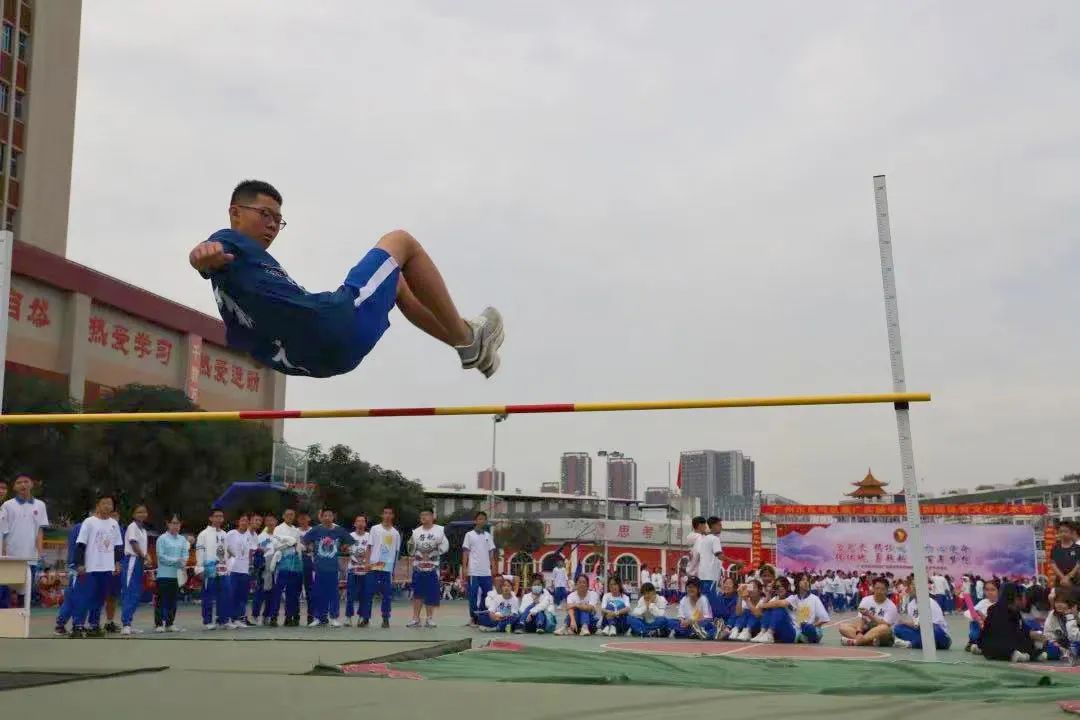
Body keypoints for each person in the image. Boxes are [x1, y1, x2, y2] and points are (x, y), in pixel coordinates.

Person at [188, 180, 504, 380]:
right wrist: (203, 258)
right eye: (265, 214)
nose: (272, 225)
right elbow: (204, 255)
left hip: (319, 363)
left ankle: (469, 344)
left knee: (394, 283)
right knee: (401, 242)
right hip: (330, 326)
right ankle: (468, 339)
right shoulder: (230, 241)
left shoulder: (242, 289)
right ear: (235, 213)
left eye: (278, 220)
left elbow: (255, 359)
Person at [71, 495, 123, 639]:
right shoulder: (89, 522)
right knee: (84, 597)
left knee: (99, 599)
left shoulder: (114, 524)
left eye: (110, 504)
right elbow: (80, 544)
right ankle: (77, 625)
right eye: (104, 503)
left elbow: (118, 545)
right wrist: (80, 564)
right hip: (90, 567)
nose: (107, 506)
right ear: (98, 505)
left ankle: (94, 625)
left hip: (106, 568)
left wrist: (117, 563)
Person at [0, 473, 48, 609]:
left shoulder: (40, 505)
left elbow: (39, 531)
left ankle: (22, 626)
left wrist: (40, 553)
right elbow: (3, 532)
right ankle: (4, 625)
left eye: (26, 482)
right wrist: (3, 553)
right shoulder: (7, 505)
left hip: (30, 557)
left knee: (25, 595)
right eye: (19, 482)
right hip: (10, 557)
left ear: (32, 484)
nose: (23, 485)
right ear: (15, 487)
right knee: (5, 592)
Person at [305, 507, 352, 627]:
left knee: (333, 593)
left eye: (329, 516)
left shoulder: (339, 530)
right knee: (318, 593)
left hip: (333, 568)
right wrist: (310, 547)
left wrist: (343, 547)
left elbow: (350, 541)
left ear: (333, 517)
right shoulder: (316, 530)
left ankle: (334, 617)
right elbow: (305, 541)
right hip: (319, 567)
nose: (327, 518)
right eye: (325, 515)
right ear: (322, 517)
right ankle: (318, 617)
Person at [407, 508, 449, 628]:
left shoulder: (440, 530)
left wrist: (433, 550)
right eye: (422, 515)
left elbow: (445, 547)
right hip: (418, 567)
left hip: (433, 567)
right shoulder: (415, 532)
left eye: (426, 515)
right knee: (417, 594)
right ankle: (415, 618)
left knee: (431, 593)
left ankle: (429, 618)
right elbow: (410, 549)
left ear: (432, 516)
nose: (424, 517)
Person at [361, 505, 401, 628]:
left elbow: (396, 552)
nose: (387, 515)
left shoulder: (396, 533)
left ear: (393, 516)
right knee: (368, 593)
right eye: (385, 513)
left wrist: (395, 569)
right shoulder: (375, 529)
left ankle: (385, 618)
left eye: (390, 513)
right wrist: (367, 562)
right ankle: (365, 618)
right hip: (374, 565)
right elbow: (369, 546)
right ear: (382, 515)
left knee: (387, 594)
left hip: (387, 567)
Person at [979, 583, 1040, 662]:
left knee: (1033, 640)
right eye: (1023, 596)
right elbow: (1010, 633)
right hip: (998, 645)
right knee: (1027, 643)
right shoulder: (998, 611)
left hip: (993, 646)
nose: (1025, 600)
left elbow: (1022, 627)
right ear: (1015, 598)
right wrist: (1029, 636)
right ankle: (1023, 654)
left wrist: (1032, 633)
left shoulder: (1014, 611)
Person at [196, 508, 230, 630]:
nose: (219, 518)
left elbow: (226, 553)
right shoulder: (203, 534)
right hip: (209, 568)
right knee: (208, 596)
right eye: (216, 516)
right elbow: (199, 552)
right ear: (210, 518)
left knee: (225, 594)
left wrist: (228, 568)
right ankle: (207, 621)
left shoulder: (225, 534)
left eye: (221, 516)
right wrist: (199, 568)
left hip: (223, 568)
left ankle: (223, 620)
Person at [154, 514, 190, 632]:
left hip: (177, 575)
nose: (175, 526)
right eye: (173, 523)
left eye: (178, 523)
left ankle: (170, 623)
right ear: (168, 524)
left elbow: (185, 555)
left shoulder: (182, 539)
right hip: (163, 575)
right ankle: (159, 624)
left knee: (173, 600)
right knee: (161, 600)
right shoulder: (162, 539)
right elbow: (161, 556)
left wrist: (182, 562)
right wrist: (176, 561)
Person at [839, 577, 898, 647]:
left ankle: (856, 642)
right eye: (877, 588)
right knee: (843, 626)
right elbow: (861, 619)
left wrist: (869, 615)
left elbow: (886, 625)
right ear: (873, 588)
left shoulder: (891, 606)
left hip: (881, 635)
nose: (879, 591)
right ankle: (866, 642)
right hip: (866, 630)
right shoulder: (865, 600)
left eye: (882, 589)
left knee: (884, 628)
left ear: (887, 590)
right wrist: (858, 632)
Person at [54, 511, 87, 635]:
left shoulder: (83, 527)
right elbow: (76, 548)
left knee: (81, 597)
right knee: (73, 597)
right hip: (78, 567)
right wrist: (76, 565)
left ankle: (77, 624)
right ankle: (62, 624)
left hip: (85, 567)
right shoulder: (81, 527)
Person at [462, 511, 497, 626]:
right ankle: (473, 617)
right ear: (475, 521)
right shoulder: (469, 535)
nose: (482, 521)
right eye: (480, 519)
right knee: (473, 594)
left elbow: (491, 553)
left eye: (484, 519)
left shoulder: (488, 536)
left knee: (487, 595)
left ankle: (481, 616)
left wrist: (493, 568)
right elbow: (465, 552)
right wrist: (465, 567)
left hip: (486, 571)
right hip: (473, 571)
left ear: (485, 521)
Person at [893, 581, 951, 650]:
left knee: (932, 630)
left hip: (939, 636)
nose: (913, 588)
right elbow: (915, 625)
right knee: (898, 628)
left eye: (916, 586)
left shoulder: (931, 603)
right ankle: (917, 643)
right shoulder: (911, 605)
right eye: (912, 586)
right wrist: (907, 623)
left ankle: (911, 644)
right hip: (921, 634)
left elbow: (932, 625)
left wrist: (909, 623)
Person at [120, 504, 150, 635]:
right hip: (132, 560)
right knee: (130, 592)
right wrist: (144, 556)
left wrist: (146, 557)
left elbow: (143, 548)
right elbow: (134, 543)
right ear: (133, 515)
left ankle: (129, 623)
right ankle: (125, 624)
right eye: (138, 512)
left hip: (139, 562)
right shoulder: (132, 527)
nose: (141, 514)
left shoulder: (143, 530)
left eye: (143, 512)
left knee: (137, 593)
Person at [272, 508, 304, 626]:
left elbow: (299, 548)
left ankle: (289, 616)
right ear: (283, 516)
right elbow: (276, 545)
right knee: (278, 591)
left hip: (295, 564)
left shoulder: (296, 530)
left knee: (293, 592)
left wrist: (300, 560)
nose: (290, 517)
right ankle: (273, 617)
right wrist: (289, 543)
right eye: (288, 515)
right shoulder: (278, 529)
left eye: (292, 515)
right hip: (282, 564)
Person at [225, 513, 254, 629]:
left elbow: (250, 552)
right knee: (232, 594)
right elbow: (223, 546)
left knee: (242, 596)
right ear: (238, 522)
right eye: (242, 520)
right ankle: (228, 618)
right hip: (233, 569)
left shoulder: (249, 536)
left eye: (247, 521)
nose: (244, 523)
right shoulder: (231, 533)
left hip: (244, 569)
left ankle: (238, 618)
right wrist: (229, 556)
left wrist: (250, 565)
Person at [345, 514, 371, 627]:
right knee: (350, 595)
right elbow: (345, 549)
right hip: (352, 569)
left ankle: (362, 617)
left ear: (365, 524)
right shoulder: (349, 536)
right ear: (354, 524)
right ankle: (348, 617)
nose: (360, 523)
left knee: (364, 595)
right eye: (358, 521)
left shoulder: (370, 536)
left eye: (362, 521)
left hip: (366, 571)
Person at [790, 573, 831, 644]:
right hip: (798, 630)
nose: (806, 582)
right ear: (797, 583)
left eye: (807, 580)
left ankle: (806, 638)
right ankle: (802, 638)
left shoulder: (814, 598)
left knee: (807, 627)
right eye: (803, 580)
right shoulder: (793, 598)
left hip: (812, 629)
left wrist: (812, 626)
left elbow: (825, 619)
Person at [252, 512, 278, 624]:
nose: (270, 523)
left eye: (272, 520)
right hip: (264, 566)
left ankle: (267, 615)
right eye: (268, 521)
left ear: (276, 522)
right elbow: (256, 553)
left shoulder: (280, 535)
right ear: (265, 522)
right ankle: (255, 615)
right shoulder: (260, 537)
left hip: (277, 565)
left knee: (272, 593)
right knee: (261, 591)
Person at [965, 578, 998, 653]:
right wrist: (977, 617)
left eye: (993, 590)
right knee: (974, 623)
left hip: (994, 632)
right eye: (987, 590)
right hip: (982, 629)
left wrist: (984, 617)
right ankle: (975, 642)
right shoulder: (983, 602)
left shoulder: (1001, 604)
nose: (989, 592)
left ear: (999, 591)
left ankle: (979, 646)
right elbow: (968, 612)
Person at [296, 510, 316, 625]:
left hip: (310, 562)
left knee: (310, 590)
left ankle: (311, 616)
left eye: (305, 518)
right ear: (298, 519)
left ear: (309, 518)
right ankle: (295, 615)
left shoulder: (313, 531)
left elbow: (314, 547)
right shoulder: (295, 531)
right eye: (301, 518)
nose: (303, 520)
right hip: (297, 562)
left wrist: (308, 548)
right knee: (296, 590)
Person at [1053, 521, 1080, 588]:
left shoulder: (1077, 548)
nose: (1063, 534)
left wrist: (1068, 577)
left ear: (1072, 532)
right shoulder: (1055, 548)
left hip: (1075, 580)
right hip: (1060, 581)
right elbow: (1053, 563)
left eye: (1065, 531)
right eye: (1060, 532)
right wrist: (1063, 577)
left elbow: (1078, 564)